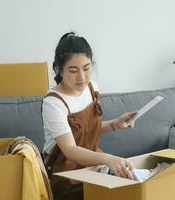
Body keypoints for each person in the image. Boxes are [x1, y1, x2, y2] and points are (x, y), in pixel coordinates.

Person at [42, 32, 137, 200]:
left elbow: (87, 130)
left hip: (92, 166)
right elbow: (70, 150)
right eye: (73, 70)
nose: (82, 77)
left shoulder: (91, 88)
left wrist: (115, 124)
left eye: (86, 68)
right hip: (65, 173)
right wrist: (108, 159)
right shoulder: (53, 102)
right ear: (59, 69)